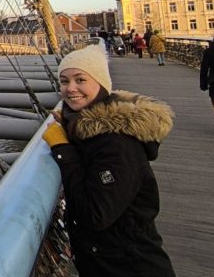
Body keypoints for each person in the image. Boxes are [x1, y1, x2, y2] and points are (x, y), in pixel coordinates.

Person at [42, 44, 176, 277]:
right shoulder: (88, 127)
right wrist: (69, 128)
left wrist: (63, 148)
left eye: (80, 79)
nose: (70, 88)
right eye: (64, 81)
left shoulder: (116, 142)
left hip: (126, 266)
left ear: (102, 84)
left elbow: (96, 215)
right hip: (111, 260)